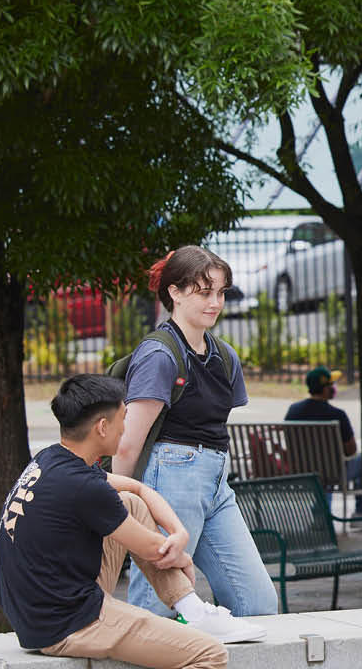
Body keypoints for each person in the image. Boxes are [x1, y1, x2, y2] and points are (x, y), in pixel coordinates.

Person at [0, 375, 263, 669]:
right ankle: (191, 610)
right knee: (210, 654)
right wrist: (180, 555)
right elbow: (155, 550)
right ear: (102, 427)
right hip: (69, 624)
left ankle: (191, 609)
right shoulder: (85, 488)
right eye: (123, 418)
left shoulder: (51, 460)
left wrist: (178, 533)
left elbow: (138, 489)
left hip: (40, 617)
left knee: (129, 502)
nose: (126, 428)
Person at [115, 246, 278, 619]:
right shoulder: (159, 355)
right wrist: (118, 506)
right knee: (157, 609)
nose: (215, 302)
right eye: (204, 292)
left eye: (220, 292)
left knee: (257, 604)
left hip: (216, 482)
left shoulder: (224, 355)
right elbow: (127, 445)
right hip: (170, 480)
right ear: (174, 292)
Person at [283, 366, 361, 511]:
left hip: (303, 471)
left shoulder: (293, 411)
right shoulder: (337, 415)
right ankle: (361, 513)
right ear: (325, 389)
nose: (334, 388)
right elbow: (351, 451)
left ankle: (320, 519)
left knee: (323, 470)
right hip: (334, 473)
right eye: (332, 384)